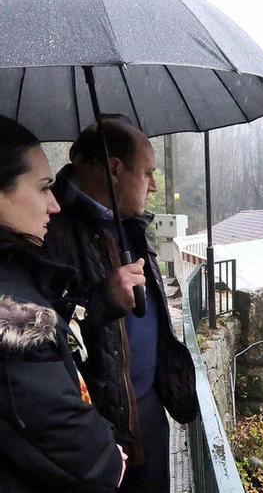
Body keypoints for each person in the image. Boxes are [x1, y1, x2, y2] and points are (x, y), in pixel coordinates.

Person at [43, 117, 196, 493]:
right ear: (115, 168)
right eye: (148, 173)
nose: (155, 184)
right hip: (99, 423)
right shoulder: (49, 225)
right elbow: (36, 328)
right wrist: (102, 300)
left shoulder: (129, 221)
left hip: (146, 407)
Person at [0, 115, 126, 492]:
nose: (54, 204)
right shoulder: (12, 310)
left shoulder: (21, 278)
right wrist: (106, 454)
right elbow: (51, 419)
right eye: (42, 188)